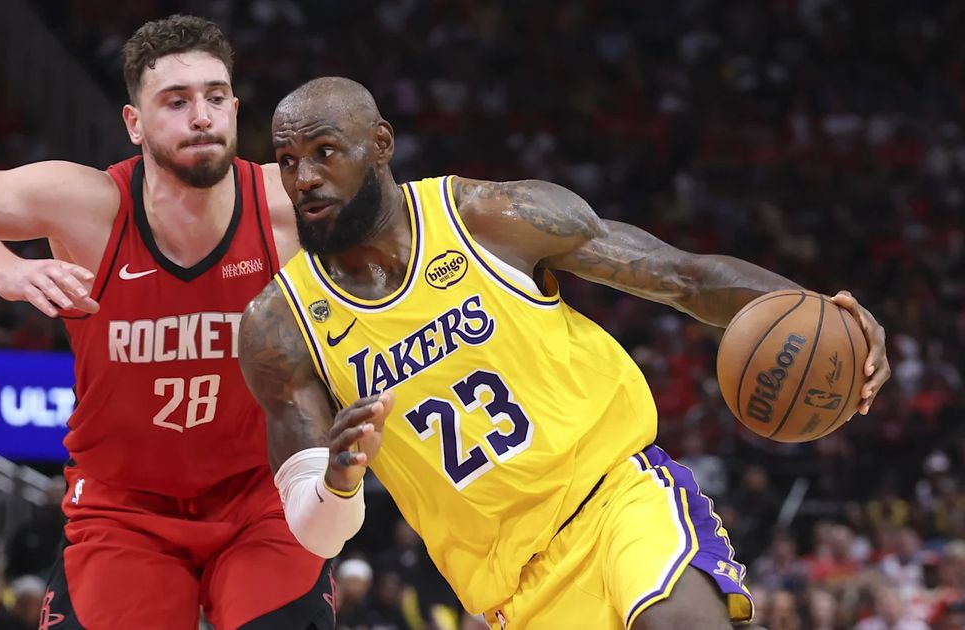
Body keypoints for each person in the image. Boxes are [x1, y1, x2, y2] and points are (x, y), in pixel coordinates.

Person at [238, 77, 892, 630]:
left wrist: (825, 314)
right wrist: (340, 479)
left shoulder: (488, 218)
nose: (304, 178)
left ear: (381, 144)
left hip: (617, 502)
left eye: (324, 153)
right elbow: (316, 530)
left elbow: (683, 278)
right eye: (287, 161)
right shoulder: (278, 325)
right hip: (514, 593)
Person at [0, 15, 331, 630]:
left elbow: (415, 227)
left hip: (261, 494)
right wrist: (4, 268)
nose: (201, 117)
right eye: (176, 102)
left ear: (235, 109)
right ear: (134, 123)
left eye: (215, 98)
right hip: (123, 508)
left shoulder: (286, 203)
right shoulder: (87, 206)